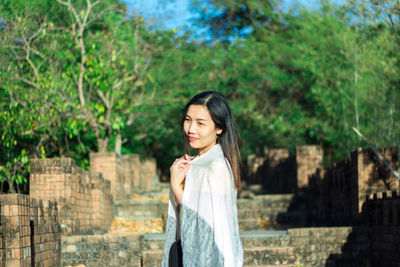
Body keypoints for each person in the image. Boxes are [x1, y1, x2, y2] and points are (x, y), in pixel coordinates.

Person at [162, 91, 243, 267]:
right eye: (188, 120)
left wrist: (176, 184)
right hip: (189, 251)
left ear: (219, 128)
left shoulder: (216, 166)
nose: (191, 129)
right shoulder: (196, 163)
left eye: (201, 123)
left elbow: (203, 221)